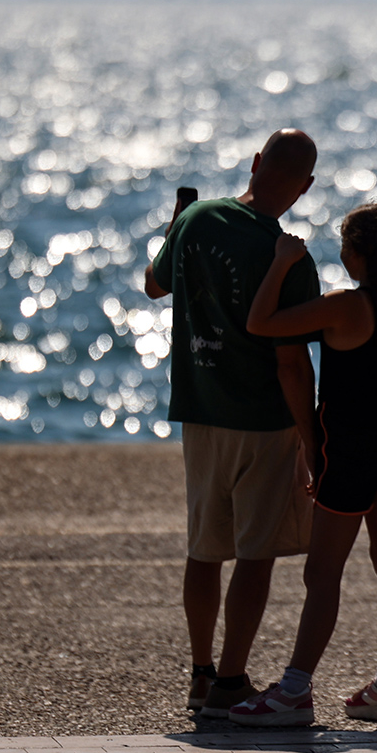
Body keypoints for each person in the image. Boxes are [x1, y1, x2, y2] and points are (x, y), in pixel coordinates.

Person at [143, 128, 321, 718]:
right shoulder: (289, 257)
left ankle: (200, 673)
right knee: (255, 552)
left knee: (204, 547)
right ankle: (231, 679)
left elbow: (154, 284)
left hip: (199, 408)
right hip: (264, 419)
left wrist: (176, 226)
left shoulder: (195, 218)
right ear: (306, 187)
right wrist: (311, 435)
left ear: (254, 163)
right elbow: (292, 362)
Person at [230, 204, 377, 727]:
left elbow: (260, 323)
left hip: (352, 451)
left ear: (357, 253)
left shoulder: (342, 306)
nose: (340, 251)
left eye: (345, 243)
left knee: (322, 573)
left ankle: (294, 689)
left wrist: (282, 261)